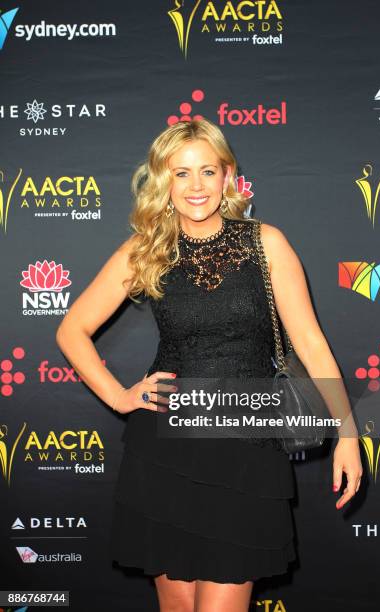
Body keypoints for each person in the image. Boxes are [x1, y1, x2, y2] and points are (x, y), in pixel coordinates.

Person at [56, 117, 363, 612]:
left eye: (207, 171)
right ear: (164, 181)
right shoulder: (148, 249)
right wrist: (119, 395)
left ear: (228, 177)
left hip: (246, 452)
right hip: (166, 448)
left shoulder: (266, 243)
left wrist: (347, 433)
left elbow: (310, 342)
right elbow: (71, 330)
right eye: (181, 173)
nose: (195, 186)